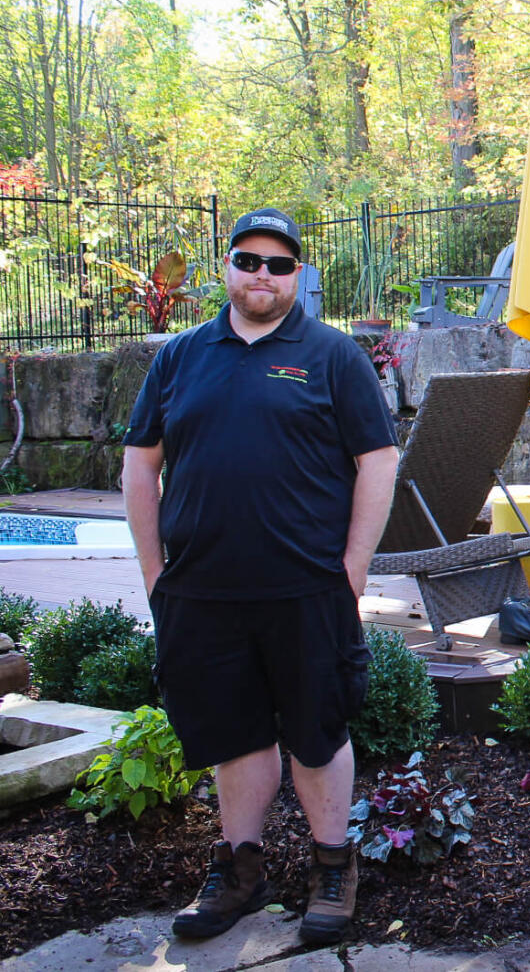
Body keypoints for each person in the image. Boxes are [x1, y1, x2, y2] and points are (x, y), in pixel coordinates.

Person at [122, 207, 400, 946]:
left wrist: (354, 565)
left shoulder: (333, 355)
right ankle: (241, 872)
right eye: (249, 261)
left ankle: (333, 866)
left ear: (299, 276)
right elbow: (141, 462)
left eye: (280, 265)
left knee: (316, 729)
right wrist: (156, 571)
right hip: (202, 590)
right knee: (233, 732)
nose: (263, 276)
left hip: (306, 586)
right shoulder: (179, 356)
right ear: (228, 266)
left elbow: (377, 460)